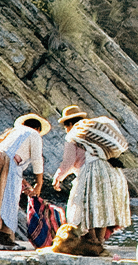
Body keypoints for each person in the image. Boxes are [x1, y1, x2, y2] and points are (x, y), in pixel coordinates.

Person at [51, 104, 130, 256]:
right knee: (102, 206)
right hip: (110, 172)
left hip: (91, 173)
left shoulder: (73, 136)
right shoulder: (93, 135)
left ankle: (92, 239)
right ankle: (99, 242)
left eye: (65, 126)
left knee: (86, 205)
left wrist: (58, 178)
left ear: (68, 124)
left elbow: (68, 161)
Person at [0, 112, 50, 250]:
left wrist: (23, 182)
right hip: (4, 161)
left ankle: (4, 238)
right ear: (38, 128)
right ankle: (6, 240)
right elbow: (37, 160)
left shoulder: (12, 133)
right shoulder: (34, 134)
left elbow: (10, 155)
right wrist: (39, 183)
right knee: (9, 199)